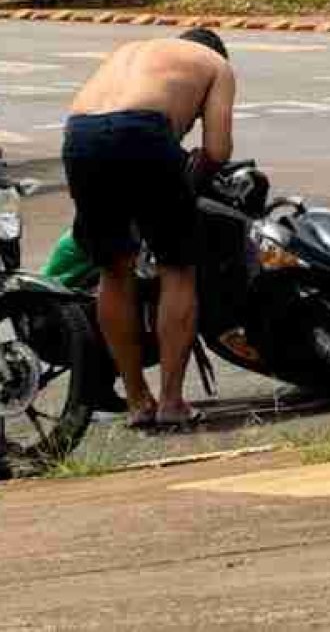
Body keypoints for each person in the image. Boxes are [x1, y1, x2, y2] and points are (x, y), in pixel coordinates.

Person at [62, 28, 235, 429]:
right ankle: (172, 401)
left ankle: (138, 400)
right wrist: (191, 180)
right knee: (177, 267)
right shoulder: (216, 65)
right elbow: (217, 150)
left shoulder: (133, 52)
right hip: (143, 134)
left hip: (81, 134)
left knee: (113, 269)